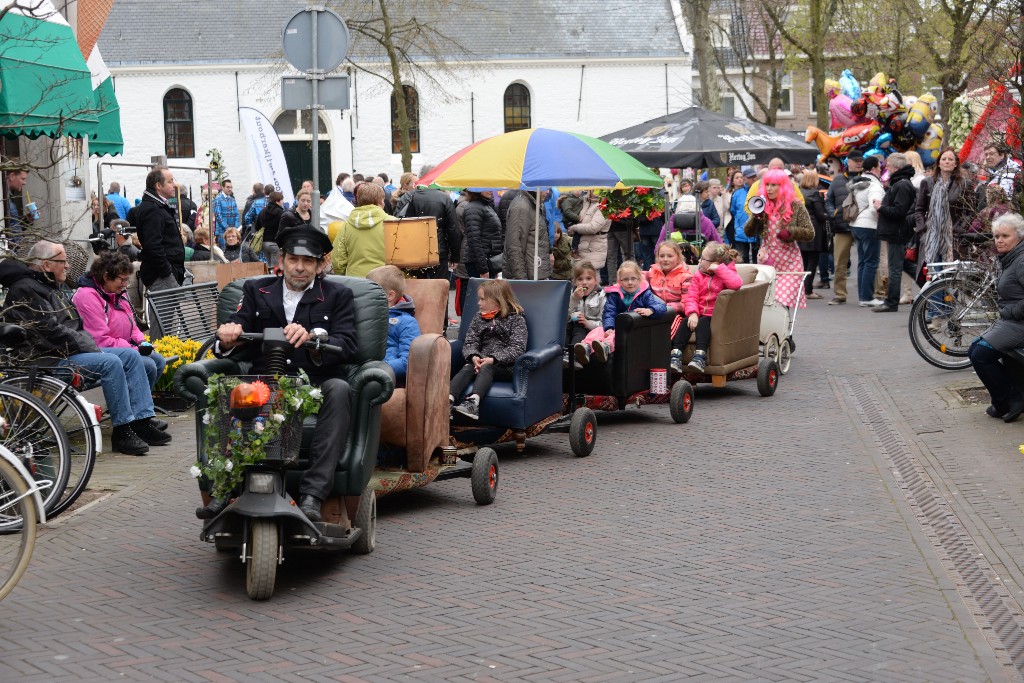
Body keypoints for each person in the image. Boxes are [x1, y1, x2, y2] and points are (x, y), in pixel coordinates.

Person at [209, 225, 359, 523]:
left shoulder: (337, 295)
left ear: (319, 265)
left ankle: (312, 496)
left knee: (340, 389)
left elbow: (349, 345)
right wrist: (227, 335)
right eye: (293, 260)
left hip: (314, 385)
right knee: (233, 388)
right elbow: (233, 327)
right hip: (264, 384)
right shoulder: (254, 290)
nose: (300, 268)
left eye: (308, 262)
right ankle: (224, 489)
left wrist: (316, 337)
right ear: (281, 260)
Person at [0, 240, 164, 455]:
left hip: (68, 351)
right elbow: (49, 333)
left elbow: (70, 327)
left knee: (131, 358)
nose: (68, 266)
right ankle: (122, 432)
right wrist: (88, 344)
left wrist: (86, 343)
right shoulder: (27, 290)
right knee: (111, 362)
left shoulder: (47, 286)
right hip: (48, 360)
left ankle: (140, 422)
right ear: (47, 265)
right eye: (63, 261)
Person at [71, 250, 170, 435]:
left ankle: (138, 413)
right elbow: (99, 339)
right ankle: (140, 419)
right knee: (145, 362)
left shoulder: (117, 292)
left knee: (157, 361)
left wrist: (142, 343)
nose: (125, 285)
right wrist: (134, 349)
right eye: (122, 280)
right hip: (97, 349)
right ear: (106, 276)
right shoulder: (87, 296)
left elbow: (132, 325)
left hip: (120, 347)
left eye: (127, 280)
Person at [969, 213, 1024, 422]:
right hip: (1011, 322)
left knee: (981, 355)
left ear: (1018, 237)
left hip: (1019, 323)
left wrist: (1010, 312)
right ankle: (1010, 396)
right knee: (975, 349)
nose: (999, 241)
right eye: (996, 236)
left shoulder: (1021, 261)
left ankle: (1008, 400)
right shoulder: (1010, 258)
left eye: (1005, 236)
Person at [450, 279, 528, 420]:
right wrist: (474, 356)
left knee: (487, 368)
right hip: (480, 361)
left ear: (497, 301)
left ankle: (473, 402)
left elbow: (517, 348)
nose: (478, 303)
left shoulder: (516, 319)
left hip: (504, 367)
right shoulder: (479, 318)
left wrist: (493, 359)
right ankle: (448, 400)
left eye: (482, 299)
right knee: (468, 367)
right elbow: (470, 341)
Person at [745, 168, 814, 309]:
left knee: (781, 301)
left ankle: (784, 329)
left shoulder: (796, 206)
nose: (769, 189)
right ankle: (778, 330)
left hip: (790, 262)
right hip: (767, 261)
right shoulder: (762, 205)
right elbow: (748, 232)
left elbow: (810, 233)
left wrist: (791, 232)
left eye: (773, 185)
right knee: (767, 304)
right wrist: (756, 218)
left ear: (782, 187)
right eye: (767, 185)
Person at [574, 260, 666, 365]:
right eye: (625, 279)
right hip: (616, 327)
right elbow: (609, 312)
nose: (630, 282)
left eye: (633, 279)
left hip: (635, 329)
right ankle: (586, 347)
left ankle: (606, 347)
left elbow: (662, 306)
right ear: (619, 281)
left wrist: (651, 310)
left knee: (616, 334)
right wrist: (609, 327)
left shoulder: (645, 294)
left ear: (639, 279)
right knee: (599, 330)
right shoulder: (615, 294)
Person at [915, 148, 978, 284]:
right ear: (938, 163)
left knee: (951, 281)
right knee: (934, 281)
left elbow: (970, 211)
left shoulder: (964, 184)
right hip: (931, 238)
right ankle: (935, 306)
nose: (947, 162)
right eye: (944, 159)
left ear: (956, 164)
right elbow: (919, 209)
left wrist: (960, 229)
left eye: (950, 159)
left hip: (953, 240)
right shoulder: (927, 183)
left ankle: (948, 306)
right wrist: (922, 229)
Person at [682, 242, 744, 372]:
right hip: (699, 314)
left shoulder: (726, 273)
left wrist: (719, 270)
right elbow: (692, 296)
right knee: (685, 321)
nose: (699, 260)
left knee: (703, 322)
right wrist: (693, 312)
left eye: (703, 259)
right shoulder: (699, 274)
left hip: (715, 317)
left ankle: (700, 356)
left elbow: (736, 283)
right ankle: (675, 355)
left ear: (714, 262)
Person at [393, 170, 460, 281]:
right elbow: (453, 229)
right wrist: (455, 256)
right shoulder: (444, 198)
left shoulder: (406, 197)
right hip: (438, 251)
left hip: (413, 251)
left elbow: (397, 225)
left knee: (416, 289)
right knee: (439, 289)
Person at [873, 153, 918, 312]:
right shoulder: (901, 183)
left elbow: (899, 211)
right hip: (896, 231)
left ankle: (891, 302)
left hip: (896, 232)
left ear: (897, 167)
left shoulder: (901, 185)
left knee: (895, 268)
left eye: (889, 165)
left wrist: (881, 207)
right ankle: (932, 289)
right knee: (906, 266)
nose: (887, 168)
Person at [365, 265, 419, 387]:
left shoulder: (406, 322)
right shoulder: (364, 314)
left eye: (370, 292)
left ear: (390, 295)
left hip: (385, 376)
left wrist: (379, 368)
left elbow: (408, 361)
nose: (365, 295)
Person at [134, 166, 185, 292]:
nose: (175, 185)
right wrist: (167, 272)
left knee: (166, 311)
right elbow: (153, 245)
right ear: (158, 185)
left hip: (166, 272)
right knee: (163, 311)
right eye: (170, 181)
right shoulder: (152, 209)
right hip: (160, 276)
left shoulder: (158, 206)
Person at [646, 240, 693, 373]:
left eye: (669, 256)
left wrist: (668, 307)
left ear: (678, 257)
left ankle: (662, 360)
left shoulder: (685, 276)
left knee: (667, 328)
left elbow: (686, 303)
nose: (665, 259)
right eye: (662, 256)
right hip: (654, 310)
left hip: (674, 312)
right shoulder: (652, 272)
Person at [824, 151, 863, 304]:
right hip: (841, 225)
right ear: (848, 162)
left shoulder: (867, 178)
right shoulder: (837, 180)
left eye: (861, 160)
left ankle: (869, 293)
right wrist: (833, 213)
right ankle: (840, 294)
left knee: (867, 260)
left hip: (862, 224)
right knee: (839, 262)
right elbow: (828, 200)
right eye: (856, 160)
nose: (858, 163)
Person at [847, 155, 885, 306]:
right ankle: (867, 297)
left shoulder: (858, 182)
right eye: (880, 168)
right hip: (869, 226)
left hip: (856, 224)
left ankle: (864, 296)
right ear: (875, 168)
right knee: (871, 262)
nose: (881, 170)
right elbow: (874, 206)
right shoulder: (874, 185)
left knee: (863, 262)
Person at [331, 182, 387, 277]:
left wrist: (343, 275)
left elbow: (338, 260)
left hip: (355, 281)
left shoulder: (346, 226)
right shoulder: (392, 223)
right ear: (380, 201)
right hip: (385, 280)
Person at [564, 261, 605, 367]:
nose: (584, 282)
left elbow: (603, 323)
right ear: (575, 282)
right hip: (572, 325)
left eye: (588, 278)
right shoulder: (572, 294)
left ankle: (573, 356)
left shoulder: (601, 296)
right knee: (566, 328)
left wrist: (587, 323)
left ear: (595, 280)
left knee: (579, 328)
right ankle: (562, 355)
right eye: (580, 279)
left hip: (591, 329)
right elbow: (564, 316)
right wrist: (574, 299)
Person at [503, 190, 550, 280]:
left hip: (535, 275)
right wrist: (522, 280)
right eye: (545, 188)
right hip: (528, 279)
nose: (548, 191)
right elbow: (514, 246)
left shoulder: (534, 204)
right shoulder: (522, 206)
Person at [798, 169, 828, 300]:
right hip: (813, 229)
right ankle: (808, 290)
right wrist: (829, 216)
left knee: (803, 261)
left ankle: (802, 288)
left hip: (800, 229)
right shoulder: (815, 194)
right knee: (813, 261)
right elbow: (820, 214)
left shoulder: (799, 193)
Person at [569, 191, 611, 283]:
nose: (596, 190)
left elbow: (594, 227)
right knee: (580, 280)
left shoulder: (604, 205)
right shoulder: (585, 202)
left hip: (593, 248)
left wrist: (575, 228)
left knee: (592, 280)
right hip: (581, 248)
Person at [978, 143, 1022, 212]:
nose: (988, 157)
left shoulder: (1014, 173)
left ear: (1001, 155)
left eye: (991, 154)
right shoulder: (991, 173)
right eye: (986, 154)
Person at [731, 168, 756, 262]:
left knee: (757, 259)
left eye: (754, 177)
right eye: (751, 177)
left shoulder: (760, 191)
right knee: (742, 260)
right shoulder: (737, 194)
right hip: (741, 231)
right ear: (745, 178)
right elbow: (733, 211)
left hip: (756, 232)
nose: (753, 180)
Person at [255, 191, 285, 267]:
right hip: (275, 244)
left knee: (269, 267)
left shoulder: (262, 211)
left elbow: (257, 227)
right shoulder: (281, 213)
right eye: (282, 200)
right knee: (276, 268)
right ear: (277, 201)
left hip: (264, 243)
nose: (283, 202)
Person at [4, 168, 33, 239]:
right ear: (12, 176)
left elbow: (12, 228)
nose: (24, 183)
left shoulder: (9, 197)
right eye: (22, 179)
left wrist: (26, 221)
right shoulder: (3, 198)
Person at [211, 179, 239, 249]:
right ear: (222, 187)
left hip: (233, 231)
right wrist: (227, 229)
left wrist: (235, 228)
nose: (230, 189)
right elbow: (218, 216)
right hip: (222, 231)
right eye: (228, 187)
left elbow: (237, 214)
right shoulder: (218, 199)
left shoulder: (232, 199)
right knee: (224, 252)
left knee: (234, 251)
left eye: (231, 187)